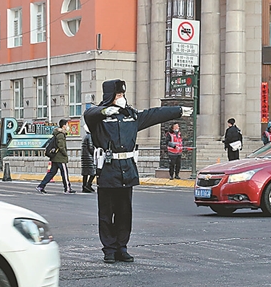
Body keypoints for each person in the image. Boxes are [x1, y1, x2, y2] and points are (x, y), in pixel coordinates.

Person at [84, 79, 191, 263]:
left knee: (124, 213)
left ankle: (121, 247)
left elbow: (154, 114)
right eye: (118, 95)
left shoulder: (131, 116)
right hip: (108, 171)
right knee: (106, 214)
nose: (121, 98)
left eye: (122, 94)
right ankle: (109, 249)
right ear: (109, 96)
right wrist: (104, 111)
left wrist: (178, 111)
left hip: (127, 170)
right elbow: (89, 114)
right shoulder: (99, 119)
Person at [36, 119, 75, 194]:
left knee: (51, 173)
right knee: (64, 173)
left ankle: (41, 186)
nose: (68, 126)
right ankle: (67, 188)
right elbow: (61, 146)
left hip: (55, 157)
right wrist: (65, 154)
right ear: (63, 126)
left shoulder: (57, 134)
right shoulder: (61, 135)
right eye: (67, 125)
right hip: (60, 157)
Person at [81, 124, 96, 193]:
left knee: (85, 173)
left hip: (85, 157)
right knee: (94, 172)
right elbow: (90, 147)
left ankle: (84, 186)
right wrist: (94, 153)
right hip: (89, 157)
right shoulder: (90, 136)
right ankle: (88, 185)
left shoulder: (85, 137)